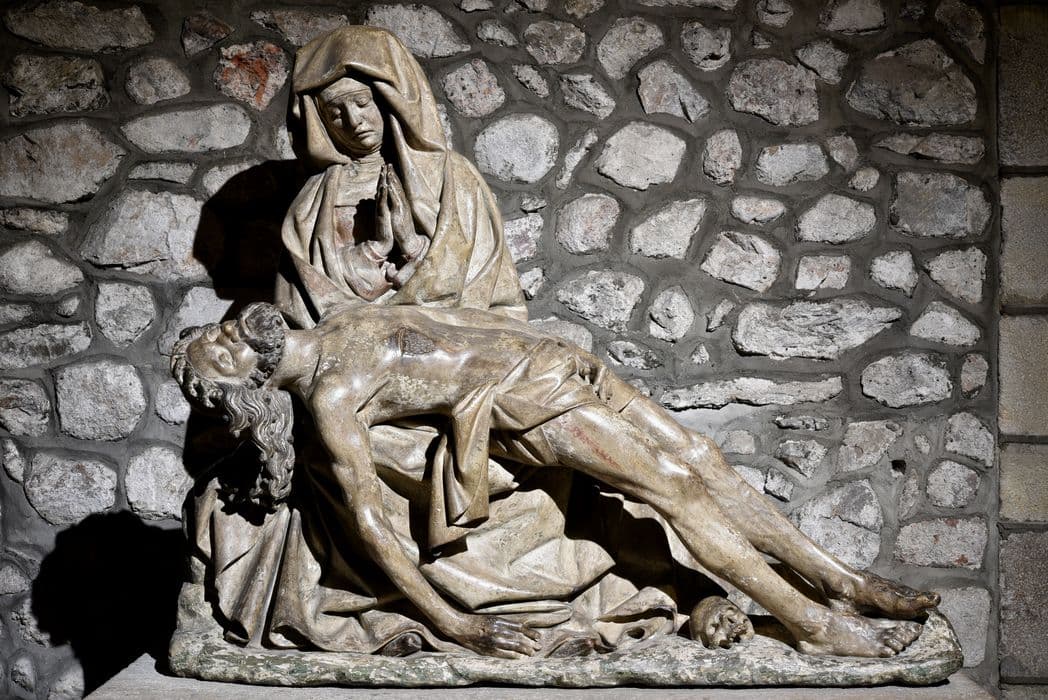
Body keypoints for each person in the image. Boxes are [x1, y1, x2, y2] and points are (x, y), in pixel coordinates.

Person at [173, 302, 940, 659]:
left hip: (554, 360)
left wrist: (553, 344)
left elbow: (455, 316)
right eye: (220, 349)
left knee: (705, 458)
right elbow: (372, 526)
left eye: (215, 329)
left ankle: (843, 583)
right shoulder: (332, 400)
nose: (227, 329)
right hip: (523, 406)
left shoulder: (333, 320)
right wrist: (456, 625)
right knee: (676, 488)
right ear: (247, 384)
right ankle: (813, 624)